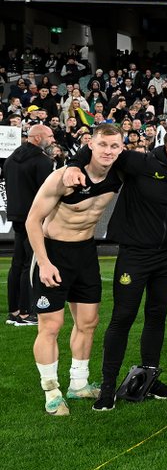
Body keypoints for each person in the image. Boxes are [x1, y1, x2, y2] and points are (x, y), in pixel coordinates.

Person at [65, 126, 167, 411]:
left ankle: (149, 379)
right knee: (122, 317)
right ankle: (108, 387)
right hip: (134, 255)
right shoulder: (140, 162)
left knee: (156, 316)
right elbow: (98, 151)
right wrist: (74, 166)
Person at [26, 124, 123, 415]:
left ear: (121, 148)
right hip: (54, 252)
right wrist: (43, 262)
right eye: (103, 145)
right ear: (90, 144)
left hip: (85, 253)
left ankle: (78, 383)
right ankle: (51, 390)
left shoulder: (119, 174)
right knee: (51, 326)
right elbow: (32, 220)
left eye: (115, 146)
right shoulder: (63, 178)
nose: (108, 151)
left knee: (89, 322)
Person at [5, 123, 55, 326]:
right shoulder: (42, 162)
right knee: (30, 264)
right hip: (33, 219)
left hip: (16, 217)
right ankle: (26, 313)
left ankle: (14, 311)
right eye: (50, 136)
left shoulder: (11, 159)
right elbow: (47, 195)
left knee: (17, 263)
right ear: (37, 138)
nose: (53, 139)